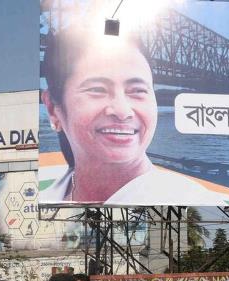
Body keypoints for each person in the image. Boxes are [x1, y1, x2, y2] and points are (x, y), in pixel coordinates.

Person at [41, 21, 208, 207]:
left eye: (137, 90)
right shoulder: (43, 201)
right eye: (97, 89)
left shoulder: (193, 204)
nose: (122, 111)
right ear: (52, 109)